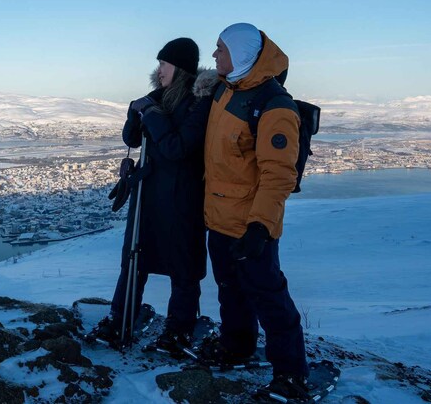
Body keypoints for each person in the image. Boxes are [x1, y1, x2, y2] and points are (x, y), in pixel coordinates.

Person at [199, 22, 310, 400]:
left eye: (220, 48)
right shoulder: (226, 92)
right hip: (219, 220)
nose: (213, 54)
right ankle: (237, 346)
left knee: (269, 298)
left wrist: (260, 227)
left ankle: (291, 374)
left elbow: (278, 174)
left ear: (243, 55)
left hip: (250, 225)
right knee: (230, 291)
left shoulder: (274, 106)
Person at [90, 37, 217, 353]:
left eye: (164, 63)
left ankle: (179, 329)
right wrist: (137, 112)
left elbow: (177, 148)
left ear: (180, 67)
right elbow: (131, 137)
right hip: (147, 196)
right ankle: (121, 317)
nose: (159, 69)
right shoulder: (158, 98)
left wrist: (151, 112)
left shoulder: (200, 103)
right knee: (134, 259)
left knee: (183, 267)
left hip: (182, 198)